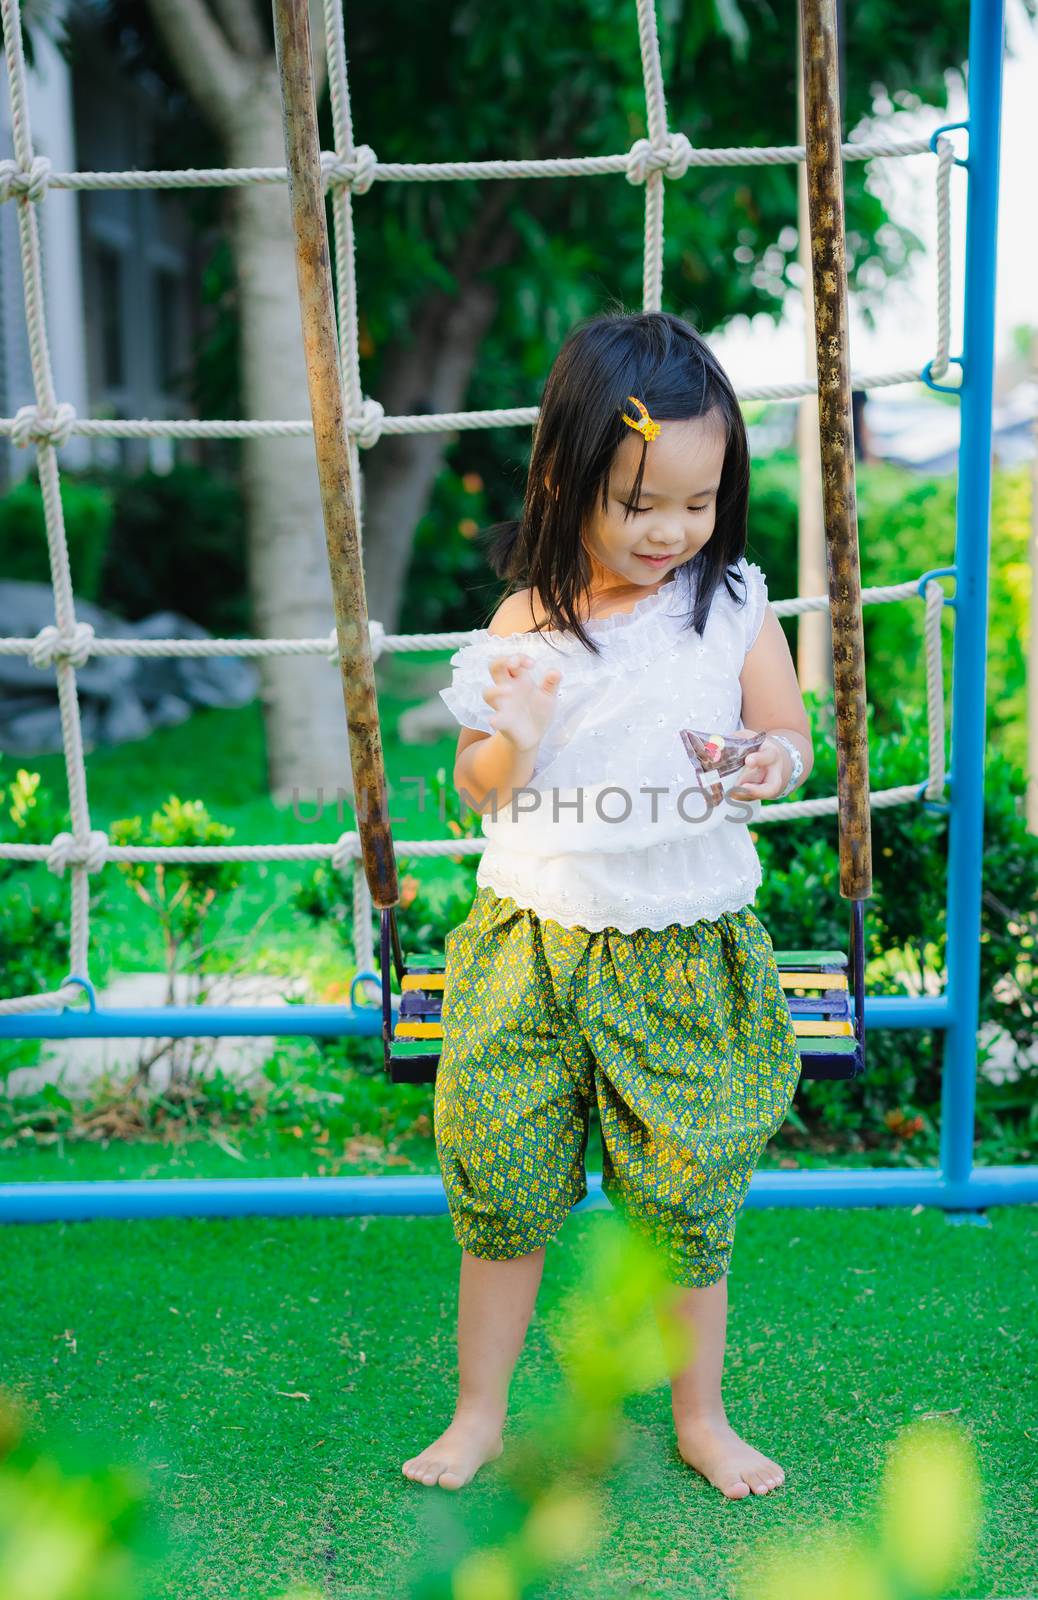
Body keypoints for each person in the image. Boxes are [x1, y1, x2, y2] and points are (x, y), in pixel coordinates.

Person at [402, 309, 812, 1500]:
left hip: (686, 940)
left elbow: (785, 732)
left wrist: (767, 763)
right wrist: (511, 738)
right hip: (531, 939)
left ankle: (701, 1414)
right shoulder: (530, 622)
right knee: (501, 1178)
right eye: (642, 504)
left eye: (698, 501)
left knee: (686, 1198)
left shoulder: (729, 602)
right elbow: (481, 788)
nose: (672, 530)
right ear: (566, 477)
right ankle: (479, 1410)